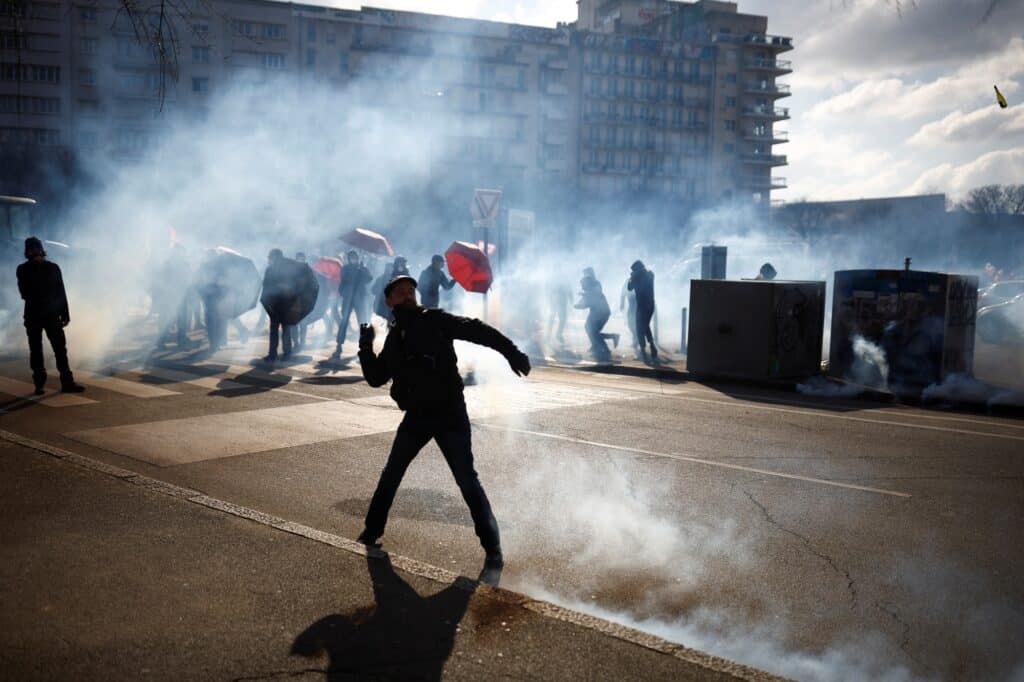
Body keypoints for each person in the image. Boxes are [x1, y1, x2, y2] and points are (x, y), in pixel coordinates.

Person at [356, 274, 531, 572]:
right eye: (401, 293)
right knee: (392, 472)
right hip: (418, 416)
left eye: (411, 291)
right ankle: (371, 531)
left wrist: (511, 352)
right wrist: (365, 348)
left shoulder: (433, 320)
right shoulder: (395, 337)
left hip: (449, 412)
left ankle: (493, 548)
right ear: (389, 301)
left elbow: (477, 331)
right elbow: (376, 378)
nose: (408, 295)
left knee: (466, 479)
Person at [16, 237, 85, 394]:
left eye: (37, 249)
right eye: (32, 250)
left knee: (60, 349)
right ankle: (39, 383)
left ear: (42, 251)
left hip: (51, 315)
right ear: (28, 253)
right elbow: (24, 293)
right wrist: (36, 268)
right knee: (36, 350)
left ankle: (67, 382)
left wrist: (65, 313)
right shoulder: (23, 269)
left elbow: (61, 291)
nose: (36, 253)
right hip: (34, 315)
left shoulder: (53, 267)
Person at [333, 250, 372, 357]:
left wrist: (363, 269)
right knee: (344, 321)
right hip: (348, 298)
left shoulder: (362, 268)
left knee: (362, 322)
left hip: (359, 298)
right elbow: (345, 279)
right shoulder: (345, 268)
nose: (353, 259)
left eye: (355, 257)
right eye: (351, 257)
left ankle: (364, 345)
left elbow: (369, 279)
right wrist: (357, 271)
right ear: (349, 259)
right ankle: (339, 344)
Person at [260, 248, 297, 361]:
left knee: (277, 329)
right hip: (280, 303)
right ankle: (285, 353)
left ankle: (274, 354)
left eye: (270, 257)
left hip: (279, 303)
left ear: (275, 257)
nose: (269, 259)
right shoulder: (283, 269)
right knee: (283, 329)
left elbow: (266, 285)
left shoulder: (272, 269)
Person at [575, 267, 618, 362]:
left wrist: (578, 305)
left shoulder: (593, 288)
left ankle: (605, 349)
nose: (582, 286)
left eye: (582, 285)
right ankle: (599, 345)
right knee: (591, 330)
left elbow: (588, 302)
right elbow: (586, 300)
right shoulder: (590, 289)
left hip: (601, 313)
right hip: (598, 312)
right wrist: (580, 301)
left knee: (592, 331)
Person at [627, 260, 657, 362]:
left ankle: (643, 352)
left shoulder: (636, 277)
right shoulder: (650, 274)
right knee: (645, 325)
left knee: (639, 328)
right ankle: (652, 345)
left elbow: (629, 288)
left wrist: (631, 277)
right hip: (651, 305)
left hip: (642, 305)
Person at [372, 256, 410, 321]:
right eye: (400, 263)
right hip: (385, 305)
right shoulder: (383, 278)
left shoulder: (405, 274)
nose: (401, 265)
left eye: (403, 263)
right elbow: (374, 290)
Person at [546, 280, 571, 347]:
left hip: (560, 303)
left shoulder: (562, 282)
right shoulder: (561, 282)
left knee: (559, 320)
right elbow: (569, 292)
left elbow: (569, 291)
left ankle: (554, 335)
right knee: (556, 319)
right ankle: (552, 335)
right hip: (558, 302)